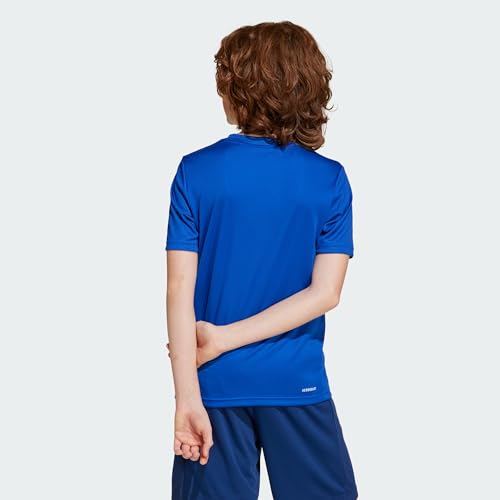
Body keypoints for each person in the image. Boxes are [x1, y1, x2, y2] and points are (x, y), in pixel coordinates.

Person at [165, 21, 358, 500]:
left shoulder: (196, 172)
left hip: (213, 386)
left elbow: (178, 290)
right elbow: (325, 293)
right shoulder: (329, 180)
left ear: (240, 91)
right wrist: (222, 340)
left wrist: (186, 396)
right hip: (295, 382)